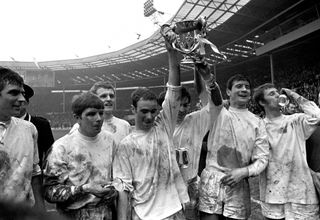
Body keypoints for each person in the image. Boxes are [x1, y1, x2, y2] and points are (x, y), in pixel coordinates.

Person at [113, 34, 189, 220]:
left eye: (153, 111)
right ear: (133, 110)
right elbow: (123, 188)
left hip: (174, 210)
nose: (149, 116)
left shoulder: (163, 126)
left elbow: (174, 90)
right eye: (143, 111)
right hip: (145, 214)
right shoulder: (126, 145)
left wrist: (172, 53)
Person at [199, 74, 269, 220]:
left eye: (247, 87)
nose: (244, 89)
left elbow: (262, 158)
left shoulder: (258, 122)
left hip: (239, 181)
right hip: (212, 179)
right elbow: (214, 94)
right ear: (228, 92)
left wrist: (243, 172)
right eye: (239, 86)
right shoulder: (218, 111)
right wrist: (206, 74)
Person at [43, 92, 117, 220]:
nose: (98, 118)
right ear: (77, 117)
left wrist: (113, 188)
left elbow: (119, 176)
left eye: (101, 113)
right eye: (91, 114)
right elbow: (49, 192)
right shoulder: (61, 147)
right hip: (73, 215)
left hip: (107, 213)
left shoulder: (110, 141)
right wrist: (84, 189)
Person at [253, 83, 320, 220]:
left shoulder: (295, 121)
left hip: (301, 193)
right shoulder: (258, 127)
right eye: (272, 94)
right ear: (261, 102)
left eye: (277, 93)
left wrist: (293, 95)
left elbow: (317, 115)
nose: (277, 96)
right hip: (272, 195)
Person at [173, 62, 220, 220]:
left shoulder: (194, 120)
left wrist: (197, 68)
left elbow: (206, 98)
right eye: (178, 105)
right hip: (169, 187)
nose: (182, 109)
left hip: (192, 183)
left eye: (185, 105)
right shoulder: (159, 127)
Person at [0, 67, 43, 209]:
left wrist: (40, 207)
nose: (22, 99)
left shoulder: (29, 129)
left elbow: (35, 172)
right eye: (14, 93)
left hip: (22, 212)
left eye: (22, 94)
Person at [14, 83, 54, 169]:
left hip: (33, 176)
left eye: (21, 102)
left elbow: (50, 154)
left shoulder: (41, 124)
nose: (17, 105)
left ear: (27, 103)